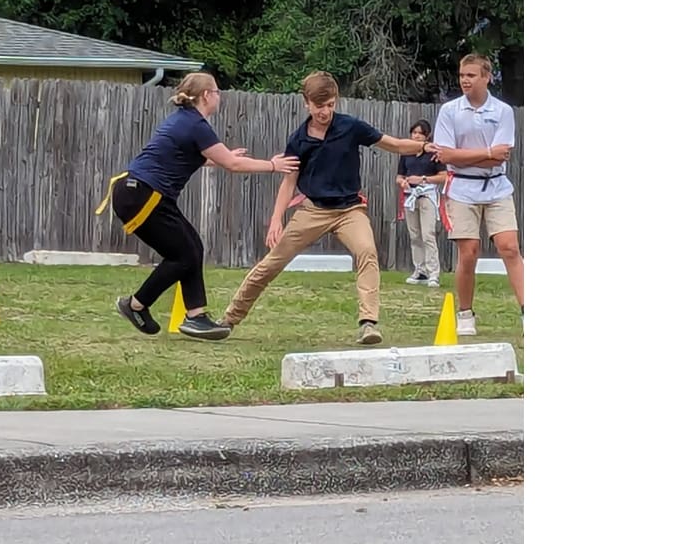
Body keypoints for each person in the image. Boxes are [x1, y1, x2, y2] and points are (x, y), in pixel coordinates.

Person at [220, 72, 428, 345]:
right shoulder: (298, 140)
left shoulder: (350, 127)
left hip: (350, 211)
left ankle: (368, 324)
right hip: (312, 211)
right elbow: (289, 182)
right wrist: (276, 219)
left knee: (367, 252)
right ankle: (228, 320)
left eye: (330, 105)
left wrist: (424, 147)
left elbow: (394, 144)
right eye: (320, 106)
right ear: (307, 102)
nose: (325, 112)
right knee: (270, 264)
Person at [99, 72, 298, 340]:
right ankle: (137, 305)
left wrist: (224, 157)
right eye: (217, 91)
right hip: (143, 196)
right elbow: (233, 165)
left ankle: (195, 317)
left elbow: (193, 157)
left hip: (141, 193)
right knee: (183, 254)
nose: (219, 96)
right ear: (206, 95)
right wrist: (273, 165)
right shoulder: (196, 125)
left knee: (192, 247)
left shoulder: (186, 121)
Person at [428, 53, 522, 335]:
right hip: (462, 188)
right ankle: (465, 313)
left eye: (471, 75)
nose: (465, 80)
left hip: (497, 186)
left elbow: (501, 157)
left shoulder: (503, 111)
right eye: (462, 76)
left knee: (510, 247)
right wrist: (486, 152)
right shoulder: (450, 111)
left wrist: (476, 156)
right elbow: (445, 155)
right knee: (468, 253)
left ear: (486, 77)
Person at [395, 119, 448, 286]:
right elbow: (399, 176)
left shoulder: (433, 154)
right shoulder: (406, 153)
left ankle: (434, 273)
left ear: (427, 136)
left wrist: (423, 179)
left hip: (427, 196)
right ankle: (420, 271)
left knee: (428, 235)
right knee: (415, 235)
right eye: (414, 132)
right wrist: (402, 182)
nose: (416, 136)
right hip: (410, 196)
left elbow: (444, 176)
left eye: (420, 133)